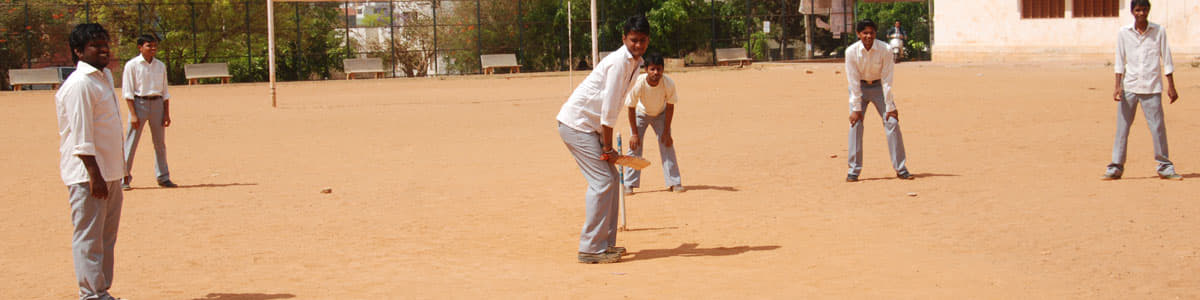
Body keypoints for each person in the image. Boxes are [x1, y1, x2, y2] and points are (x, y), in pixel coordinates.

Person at [556, 15, 650, 264]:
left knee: (611, 179)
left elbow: (611, 109)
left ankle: (605, 244)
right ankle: (590, 248)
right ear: (624, 38)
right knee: (602, 181)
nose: (638, 45)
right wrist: (608, 147)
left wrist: (606, 145)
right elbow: (608, 112)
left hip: (591, 128)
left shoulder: (636, 63)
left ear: (648, 40)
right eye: (633, 40)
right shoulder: (619, 62)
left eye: (642, 40)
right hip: (576, 125)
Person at [55, 23, 129, 300]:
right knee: (89, 237)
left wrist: (119, 169)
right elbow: (82, 135)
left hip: (110, 171)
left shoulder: (104, 77)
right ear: (78, 51)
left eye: (105, 44)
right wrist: (94, 176)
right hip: (88, 175)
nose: (103, 49)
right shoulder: (80, 84)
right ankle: (90, 294)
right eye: (95, 46)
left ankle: (101, 290)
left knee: (106, 237)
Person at [1104, 0, 1182, 180]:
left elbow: (1167, 59)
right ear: (1132, 12)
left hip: (1151, 87)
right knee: (1122, 129)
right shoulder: (1124, 33)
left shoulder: (1159, 31)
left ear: (1148, 11)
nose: (1141, 13)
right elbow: (1119, 60)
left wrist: (1171, 85)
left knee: (1157, 128)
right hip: (1129, 87)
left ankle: (1165, 166)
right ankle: (1116, 167)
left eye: (1144, 9)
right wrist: (1117, 86)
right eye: (1138, 10)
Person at [844, 19, 912, 182]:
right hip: (859, 88)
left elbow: (887, 79)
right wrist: (856, 108)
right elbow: (853, 81)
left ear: (876, 33)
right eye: (865, 33)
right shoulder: (851, 52)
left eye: (871, 33)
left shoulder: (885, 49)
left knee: (892, 122)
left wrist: (890, 106)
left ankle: (901, 168)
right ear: (858, 34)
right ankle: (854, 170)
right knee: (855, 125)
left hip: (879, 88)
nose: (868, 36)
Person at [623, 52, 683, 194]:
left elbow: (670, 106)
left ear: (663, 69)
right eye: (652, 69)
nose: (656, 72)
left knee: (667, 144)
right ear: (646, 69)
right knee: (634, 146)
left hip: (660, 114)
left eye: (659, 69)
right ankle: (629, 184)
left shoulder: (668, 83)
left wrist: (667, 132)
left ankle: (674, 182)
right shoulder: (638, 83)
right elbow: (631, 107)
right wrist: (634, 134)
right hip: (641, 113)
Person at [121, 34, 177, 190]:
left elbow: (165, 91)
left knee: (160, 144)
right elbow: (128, 92)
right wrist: (133, 114)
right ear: (140, 47)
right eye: (149, 45)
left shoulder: (160, 66)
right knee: (131, 142)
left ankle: (163, 177)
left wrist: (166, 113)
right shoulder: (132, 65)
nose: (153, 49)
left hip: (157, 104)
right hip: (139, 104)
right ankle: (124, 178)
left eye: (154, 46)